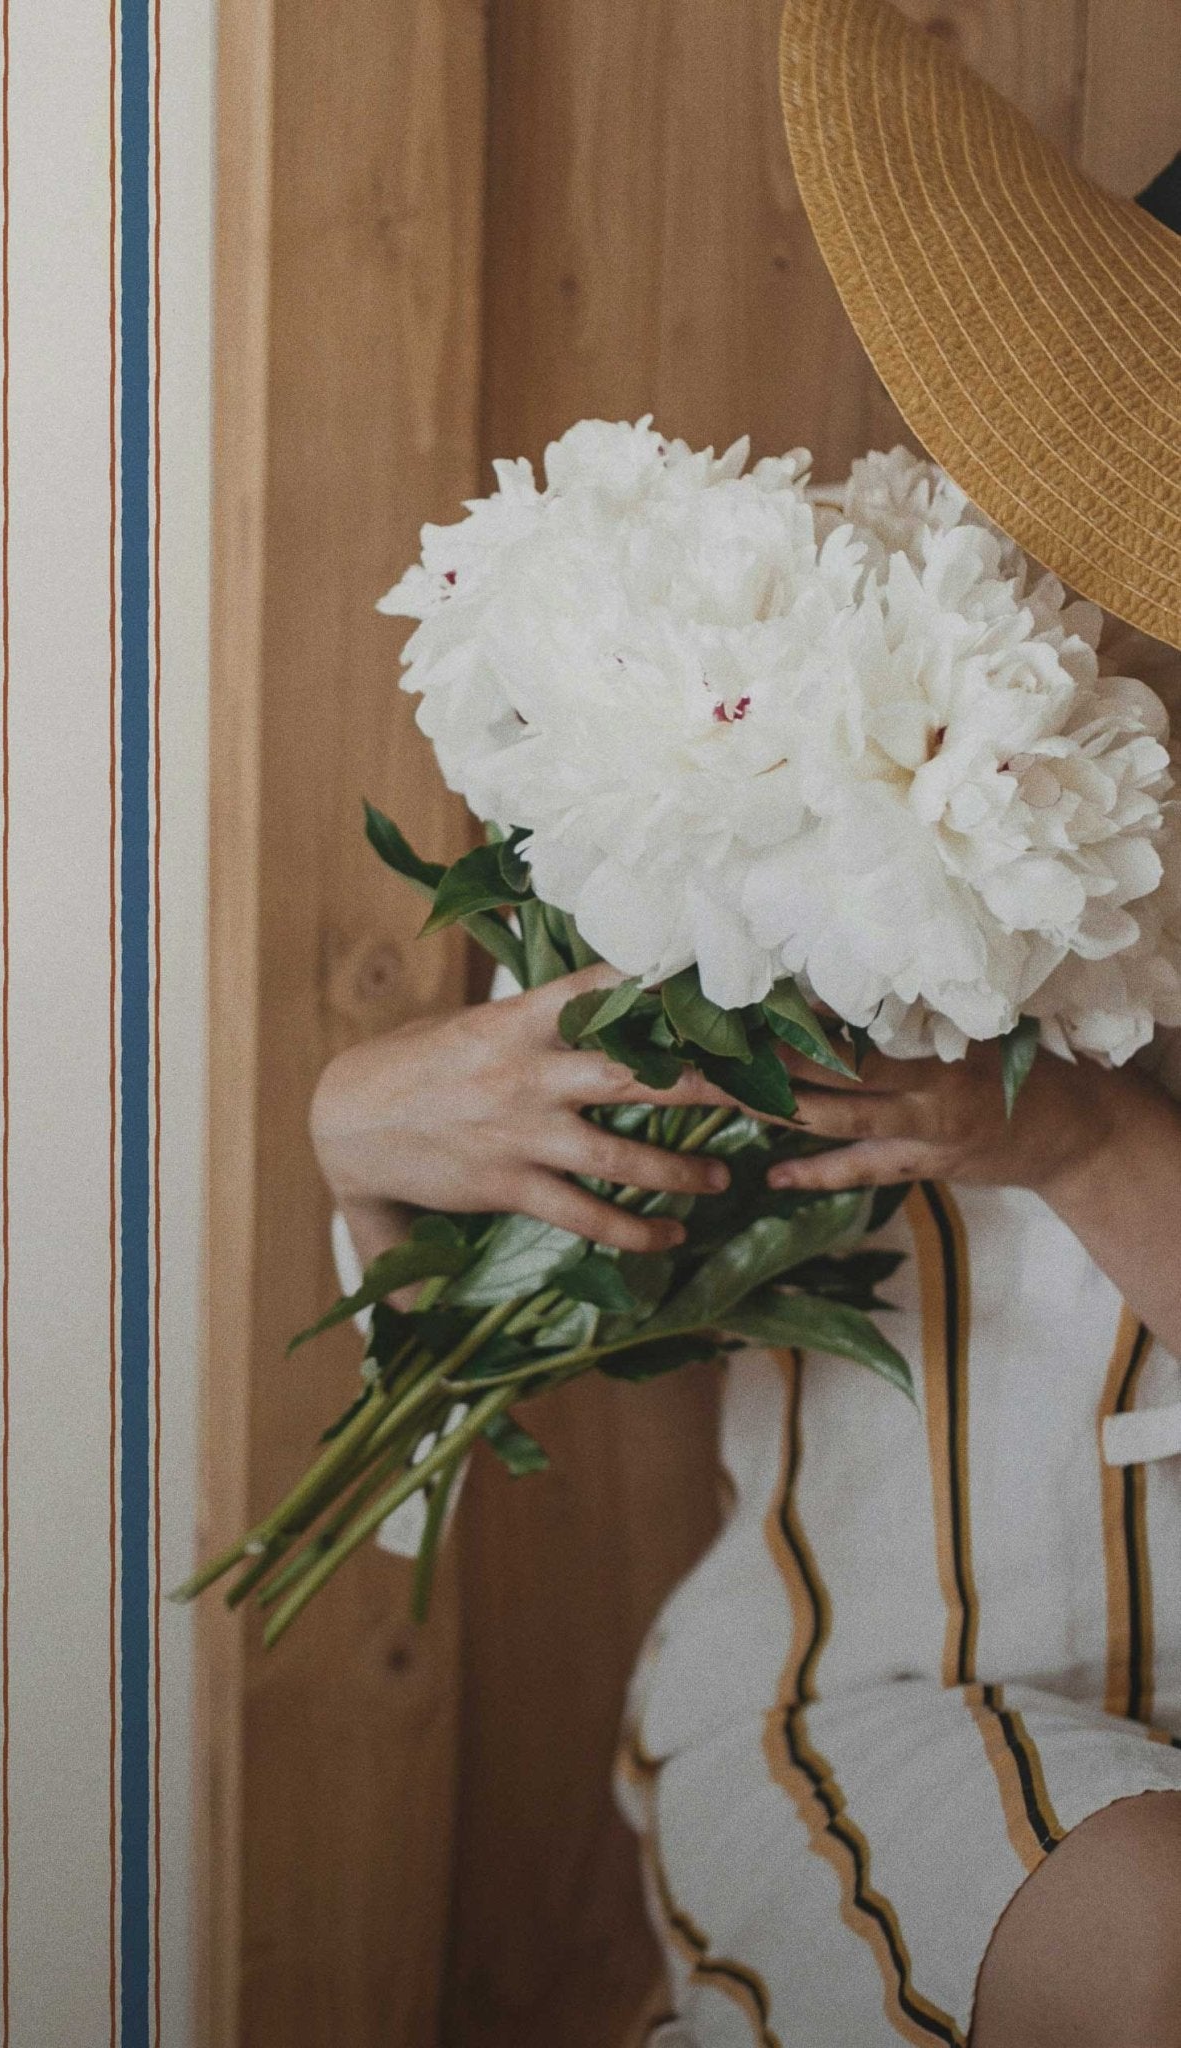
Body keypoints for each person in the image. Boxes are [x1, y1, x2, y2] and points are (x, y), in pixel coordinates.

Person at [313, 3, 1181, 2042]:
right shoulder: (828, 748)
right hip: (862, 1709)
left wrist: (1072, 1139)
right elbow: (526, 1339)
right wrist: (368, 1148)